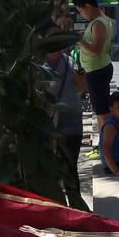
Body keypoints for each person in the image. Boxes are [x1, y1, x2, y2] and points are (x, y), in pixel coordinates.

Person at [46, 47, 91, 212]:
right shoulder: (36, 63)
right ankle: (56, 208)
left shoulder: (69, 61)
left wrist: (81, 80)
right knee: (51, 170)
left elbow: (81, 89)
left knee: (70, 168)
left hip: (71, 124)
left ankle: (75, 209)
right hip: (48, 125)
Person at [73, 0, 114, 130]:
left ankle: (107, 142)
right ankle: (105, 140)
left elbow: (96, 50)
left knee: (102, 111)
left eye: (80, 10)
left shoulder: (98, 23)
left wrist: (79, 40)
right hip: (97, 69)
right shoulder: (101, 20)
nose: (80, 14)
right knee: (100, 108)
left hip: (97, 71)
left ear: (87, 6)